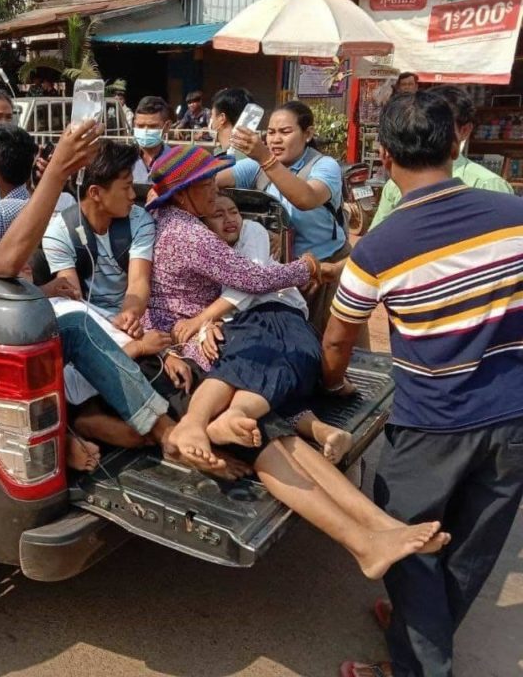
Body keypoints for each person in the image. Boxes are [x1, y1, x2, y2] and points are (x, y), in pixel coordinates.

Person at [136, 147, 449, 580]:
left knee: (283, 439)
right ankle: (365, 540)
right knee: (273, 443)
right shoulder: (187, 232)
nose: (215, 191)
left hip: (207, 342)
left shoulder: (170, 224)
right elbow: (253, 278)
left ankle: (381, 529)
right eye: (206, 185)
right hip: (201, 352)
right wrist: (305, 268)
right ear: (185, 193)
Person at [323, 92, 523, 677]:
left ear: (382, 157)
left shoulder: (381, 246)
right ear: (457, 144)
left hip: (430, 425)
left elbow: (339, 340)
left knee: (407, 547)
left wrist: (333, 383)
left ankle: (413, 669)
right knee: (470, 549)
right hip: (512, 420)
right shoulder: (514, 215)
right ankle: (420, 632)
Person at [0, 126, 182, 463]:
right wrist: (57, 171)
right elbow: (5, 262)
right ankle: (154, 429)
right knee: (75, 324)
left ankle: (101, 425)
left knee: (76, 322)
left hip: (17, 339)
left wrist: (42, 290)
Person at [186, 191, 353, 464]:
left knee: (301, 355)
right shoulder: (200, 249)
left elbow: (250, 283)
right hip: (241, 322)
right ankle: (321, 431)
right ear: (203, 224)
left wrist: (203, 319)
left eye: (234, 212)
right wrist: (206, 326)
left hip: (280, 309)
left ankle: (237, 413)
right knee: (259, 361)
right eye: (218, 215)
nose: (230, 220)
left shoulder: (252, 231)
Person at [222, 101, 353, 337]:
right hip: (283, 276)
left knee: (333, 346)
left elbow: (306, 198)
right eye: (271, 132)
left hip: (326, 271)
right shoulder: (255, 167)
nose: (275, 140)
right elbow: (214, 182)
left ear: (308, 134)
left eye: (285, 132)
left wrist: (266, 159)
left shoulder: (324, 165)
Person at [42, 140, 157, 337]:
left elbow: (139, 282)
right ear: (95, 192)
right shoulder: (58, 233)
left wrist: (129, 316)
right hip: (89, 323)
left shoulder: (140, 220)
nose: (132, 195)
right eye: (126, 187)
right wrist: (111, 325)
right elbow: (73, 296)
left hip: (136, 320)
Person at [370, 84, 513, 229]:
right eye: (427, 123)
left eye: (442, 126)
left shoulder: (487, 184)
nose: (431, 130)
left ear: (464, 131)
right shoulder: (393, 185)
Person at [131, 96, 172, 184]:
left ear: (167, 126)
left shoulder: (176, 161)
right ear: (134, 124)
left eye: (152, 126)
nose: (145, 131)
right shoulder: (123, 159)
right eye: (140, 126)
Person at [208, 87, 254, 154]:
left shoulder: (238, 161)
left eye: (211, 114)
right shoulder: (253, 157)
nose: (210, 119)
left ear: (222, 118)